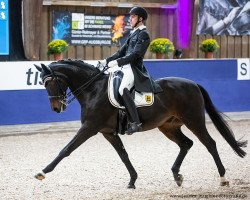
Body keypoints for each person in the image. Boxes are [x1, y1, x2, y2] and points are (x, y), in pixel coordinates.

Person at [100, 6, 163, 135]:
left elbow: (135, 55)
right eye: (130, 16)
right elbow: (121, 52)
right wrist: (106, 60)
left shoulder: (144, 34)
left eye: (133, 17)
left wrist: (117, 62)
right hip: (124, 67)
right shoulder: (133, 33)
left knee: (122, 89)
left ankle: (135, 122)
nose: (130, 19)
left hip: (134, 69)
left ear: (140, 19)